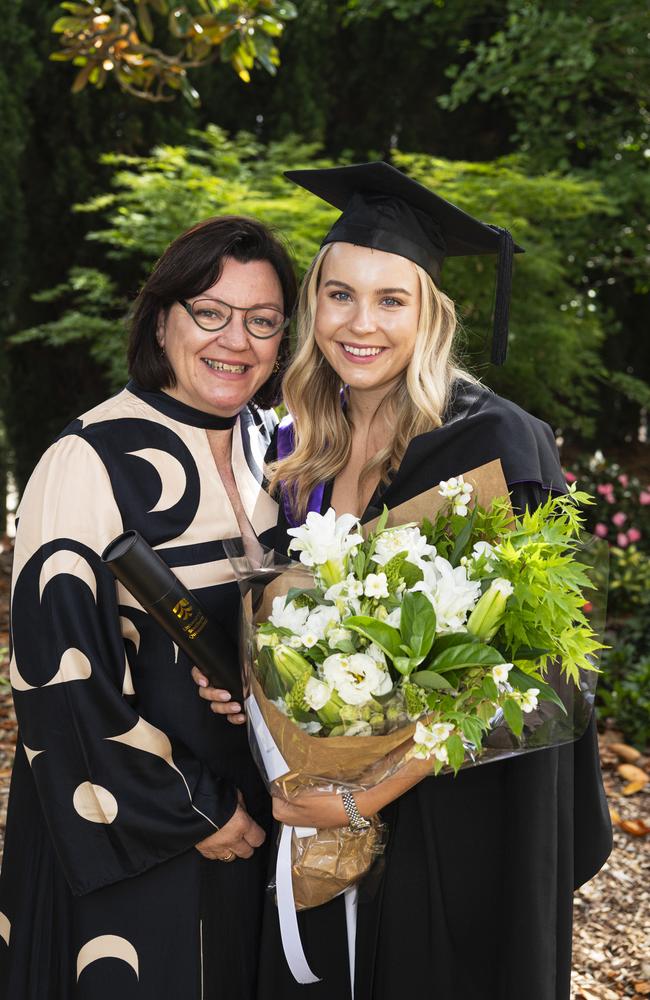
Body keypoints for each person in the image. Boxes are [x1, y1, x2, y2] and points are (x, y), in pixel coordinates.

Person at [195, 164, 613, 1000]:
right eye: (340, 295)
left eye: (392, 300)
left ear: (430, 315)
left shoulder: (493, 445)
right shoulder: (301, 450)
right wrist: (254, 680)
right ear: (313, 305)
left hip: (455, 821)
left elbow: (539, 676)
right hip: (320, 815)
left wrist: (366, 797)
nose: (362, 324)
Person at [0, 215, 297, 999]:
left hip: (266, 817)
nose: (236, 340)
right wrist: (194, 811)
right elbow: (58, 680)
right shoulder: (87, 458)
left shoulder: (279, 452)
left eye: (262, 321)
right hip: (140, 832)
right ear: (161, 318)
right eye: (210, 312)